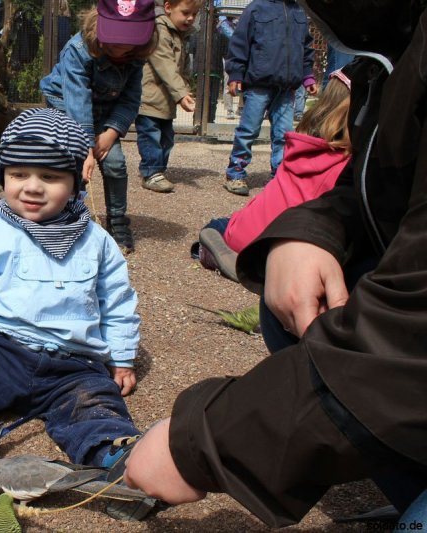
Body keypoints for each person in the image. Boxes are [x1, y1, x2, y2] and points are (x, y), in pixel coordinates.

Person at [122, 0, 427, 527]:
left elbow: (411, 335)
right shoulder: (388, 48)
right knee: (288, 300)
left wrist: (205, 443)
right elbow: (380, 190)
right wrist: (312, 232)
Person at [0, 108, 142, 471]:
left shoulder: (97, 241)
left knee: (96, 402)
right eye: (18, 174)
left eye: (50, 176)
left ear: (76, 181)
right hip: (4, 350)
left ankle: (115, 454)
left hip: (72, 365)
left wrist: (121, 357)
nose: (33, 187)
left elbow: (117, 303)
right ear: (3, 176)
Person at [193, 66, 353, 282]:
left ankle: (219, 251)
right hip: (283, 251)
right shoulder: (349, 164)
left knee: (218, 225)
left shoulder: (301, 144)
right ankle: (251, 264)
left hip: (245, 234)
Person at [40, 0, 158, 253]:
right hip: (66, 105)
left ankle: (117, 221)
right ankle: (70, 215)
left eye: (128, 42)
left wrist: (111, 133)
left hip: (106, 114)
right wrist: (85, 146)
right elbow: (77, 99)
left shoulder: (136, 57)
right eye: (114, 40)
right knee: (74, 162)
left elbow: (130, 99)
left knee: (115, 163)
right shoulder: (78, 50)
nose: (120, 48)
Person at [222, 0, 318, 196]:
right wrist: (236, 73)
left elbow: (306, 48)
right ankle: (235, 172)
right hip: (258, 84)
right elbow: (240, 43)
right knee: (248, 131)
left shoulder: (298, 12)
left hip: (286, 88)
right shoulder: (256, 8)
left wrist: (308, 76)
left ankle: (280, 176)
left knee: (284, 134)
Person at [134, 0, 201, 194]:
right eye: (186, 13)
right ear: (168, 7)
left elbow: (182, 67)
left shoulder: (180, 34)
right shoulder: (159, 29)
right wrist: (181, 93)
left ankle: (158, 170)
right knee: (150, 135)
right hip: (149, 96)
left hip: (165, 99)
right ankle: (151, 171)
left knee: (166, 137)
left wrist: (185, 88)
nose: (190, 18)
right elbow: (165, 63)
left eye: (194, 14)